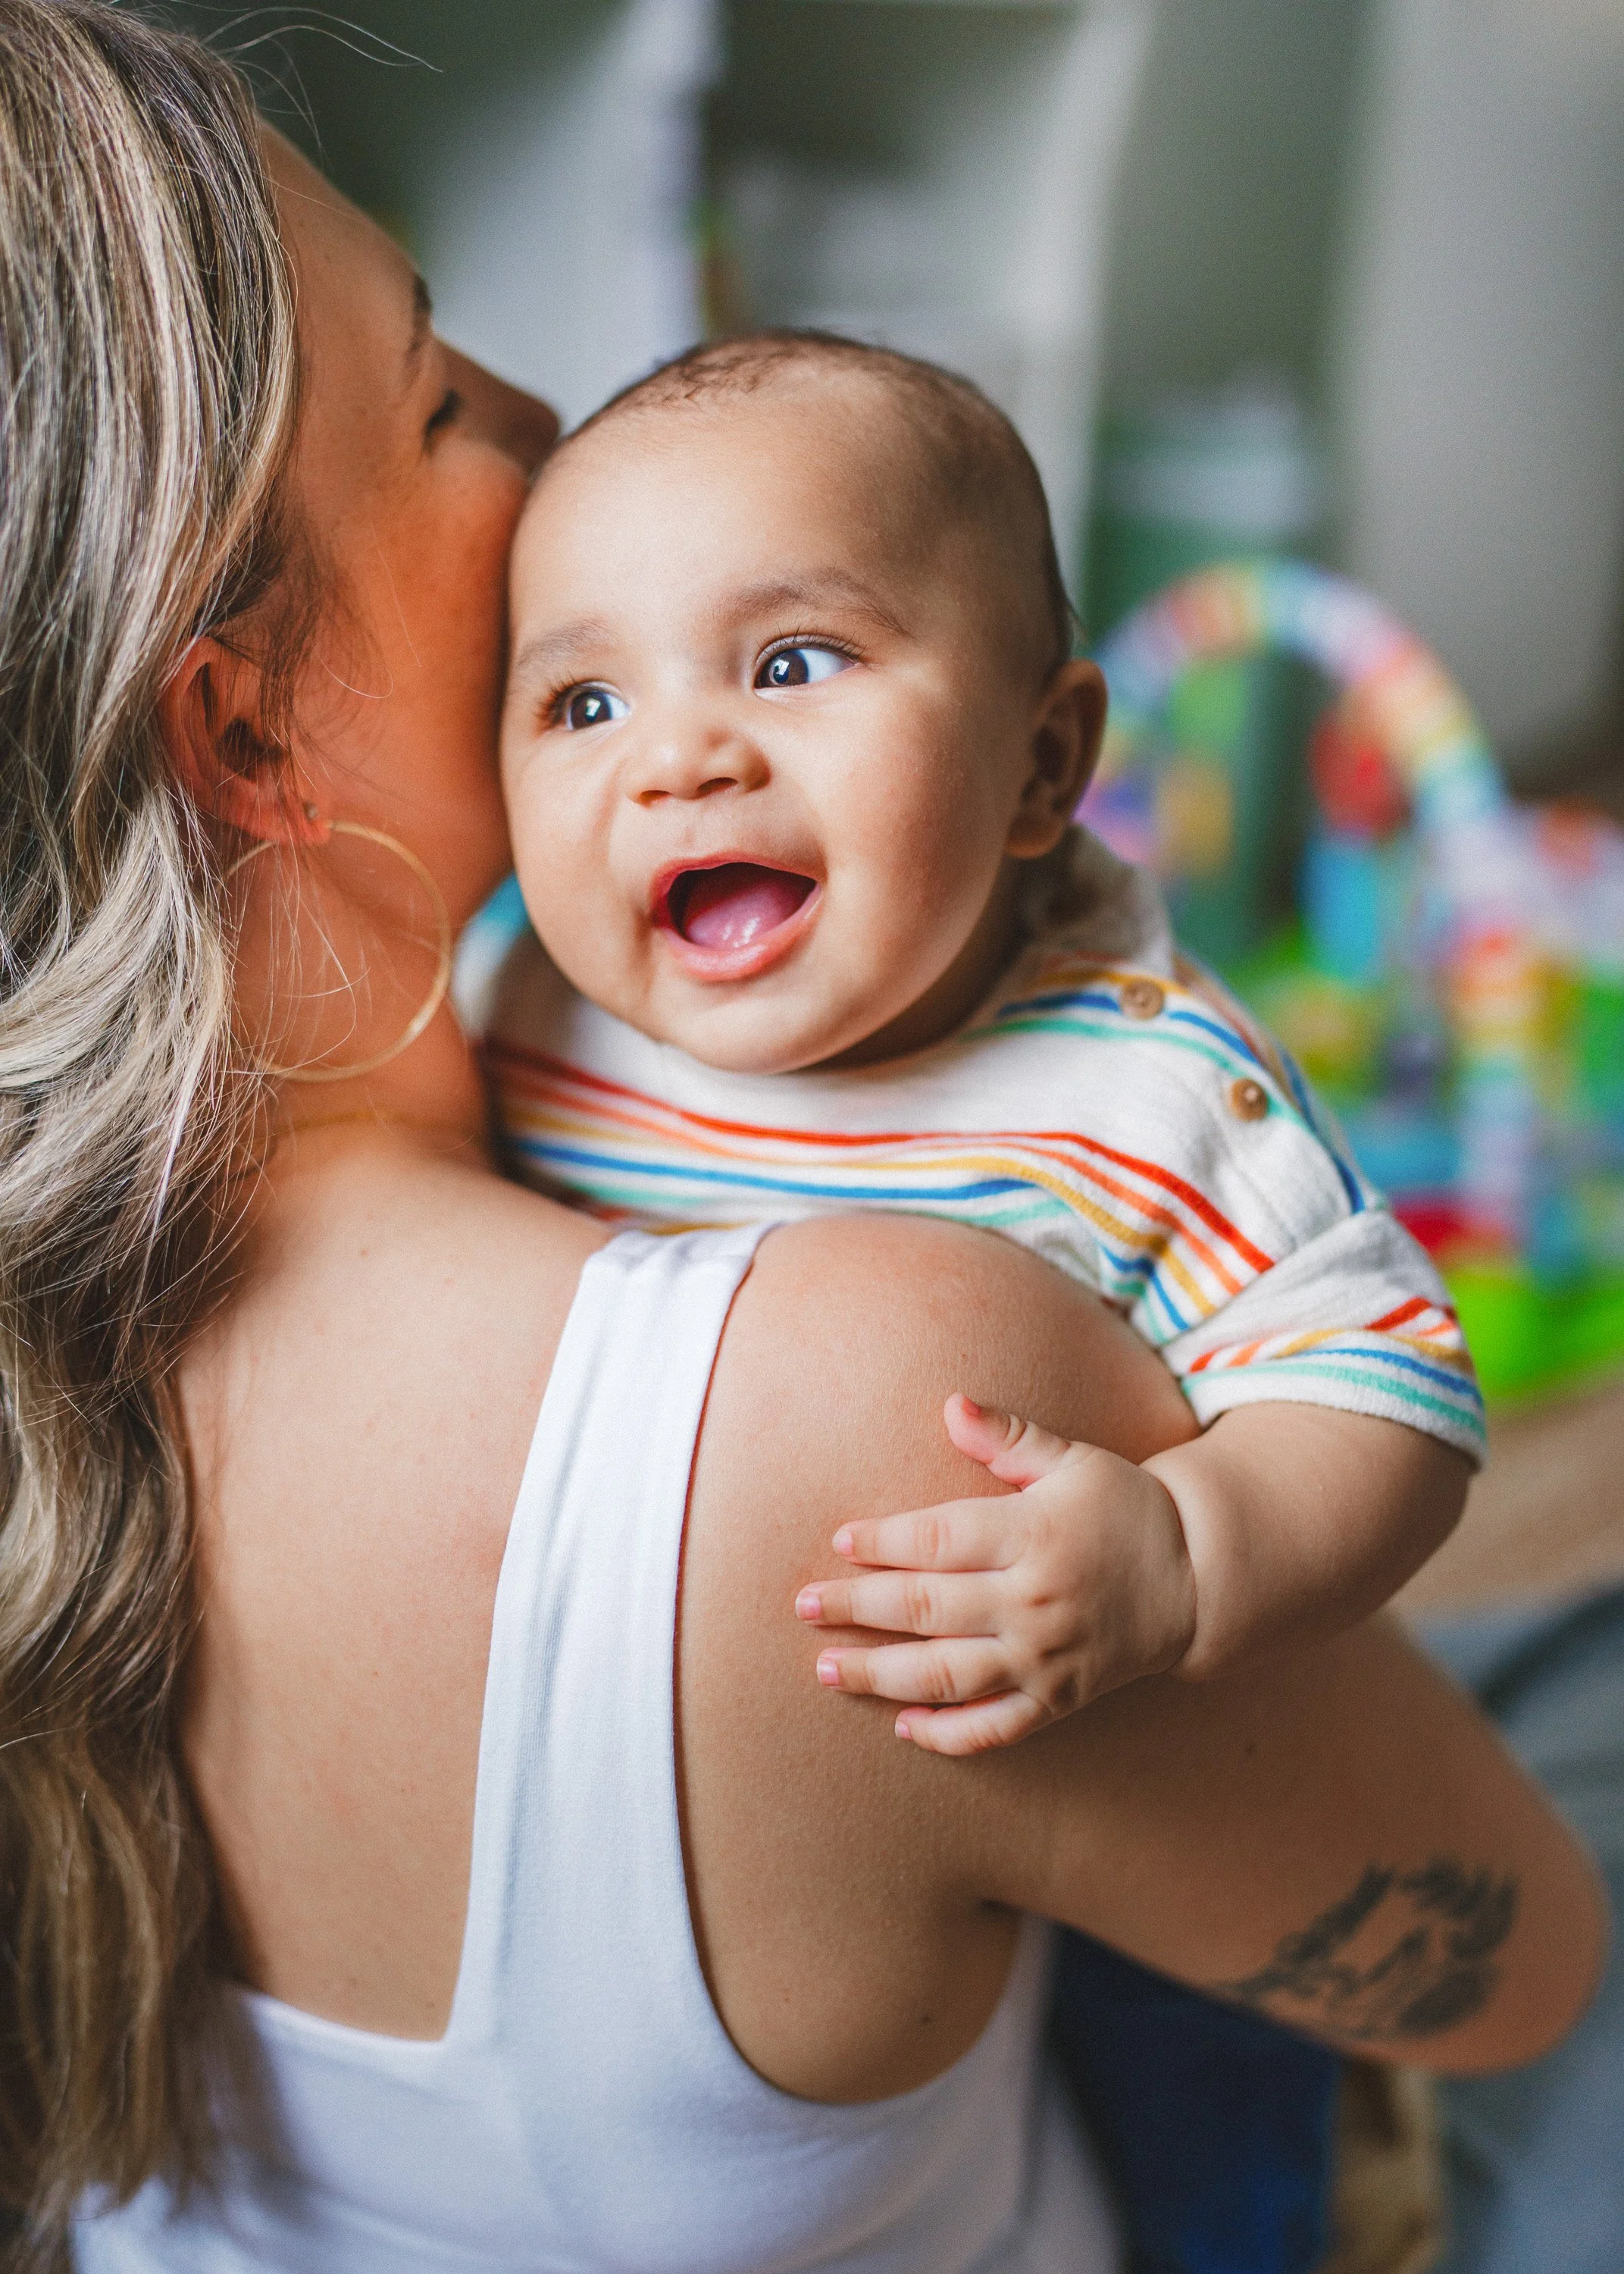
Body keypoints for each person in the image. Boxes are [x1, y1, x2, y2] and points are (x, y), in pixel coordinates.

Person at [0, 7, 1601, 2272]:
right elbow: (1509, 1962)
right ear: (246, 733)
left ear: (1045, 761)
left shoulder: (65, 1393)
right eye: (443, 396)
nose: (559, 435)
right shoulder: (854, 1423)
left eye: (790, 660)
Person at [486, 333, 1478, 1759]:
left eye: (791, 662)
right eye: (586, 703)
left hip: (1053, 1778)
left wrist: (1182, 1554)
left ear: (1043, 763)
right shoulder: (525, 1011)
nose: (676, 759)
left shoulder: (1152, 1094)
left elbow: (1390, 1399)